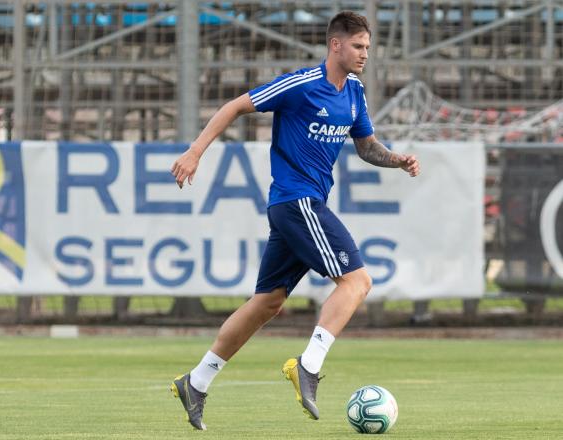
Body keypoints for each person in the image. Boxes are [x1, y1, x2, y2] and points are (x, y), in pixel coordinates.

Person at [169, 11, 420, 430]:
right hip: (296, 201)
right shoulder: (301, 85)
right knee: (357, 281)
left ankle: (196, 381)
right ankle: (308, 364)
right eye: (358, 46)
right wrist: (195, 151)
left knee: (267, 302)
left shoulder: (354, 92)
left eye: (368, 48)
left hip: (298, 207)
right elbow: (235, 106)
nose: (364, 55)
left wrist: (395, 159)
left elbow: (366, 146)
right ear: (335, 44)